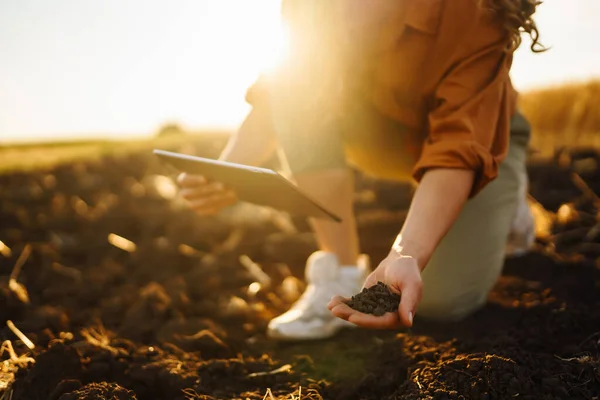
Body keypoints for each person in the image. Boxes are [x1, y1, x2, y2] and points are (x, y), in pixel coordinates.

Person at [178, 0, 544, 340]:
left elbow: (458, 148)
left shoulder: (472, 11)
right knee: (297, 87)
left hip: (478, 139)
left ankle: (507, 198)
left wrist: (406, 253)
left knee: (442, 302)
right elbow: (282, 90)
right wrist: (225, 170)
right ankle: (342, 267)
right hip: (381, 134)